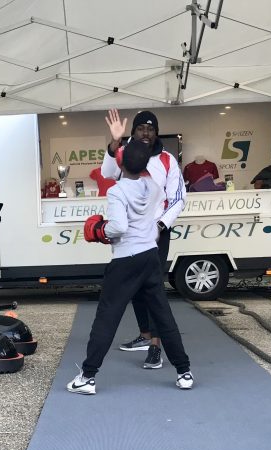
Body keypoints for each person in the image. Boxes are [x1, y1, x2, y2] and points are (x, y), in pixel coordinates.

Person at [68, 138, 193, 395]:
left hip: (126, 259)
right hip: (150, 255)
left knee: (107, 317)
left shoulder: (117, 191)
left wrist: (100, 229)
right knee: (162, 315)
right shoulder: (153, 186)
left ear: (121, 162)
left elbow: (119, 227)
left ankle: (87, 377)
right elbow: (160, 205)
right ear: (146, 164)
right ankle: (184, 371)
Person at [100, 109, 186, 370]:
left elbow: (179, 198)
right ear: (134, 131)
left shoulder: (167, 160)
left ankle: (156, 347)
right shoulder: (123, 152)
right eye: (141, 129)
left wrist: (160, 224)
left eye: (150, 129)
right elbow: (107, 172)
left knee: (153, 289)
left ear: (156, 132)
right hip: (128, 232)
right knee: (135, 287)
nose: (146, 133)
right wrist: (115, 142)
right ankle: (145, 335)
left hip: (156, 232)